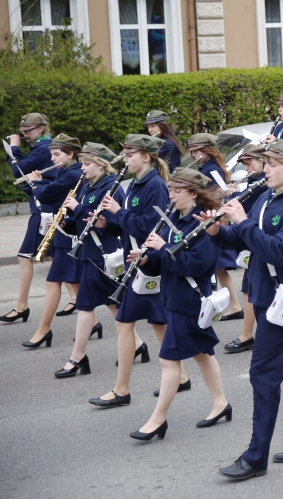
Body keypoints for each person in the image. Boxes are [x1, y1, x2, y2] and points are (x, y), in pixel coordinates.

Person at [211, 141, 283, 481]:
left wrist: (244, 222)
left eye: (273, 164)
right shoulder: (267, 198)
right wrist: (218, 230)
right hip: (263, 295)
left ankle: (255, 457)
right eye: (267, 163)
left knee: (262, 374)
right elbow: (242, 239)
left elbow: (277, 251)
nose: (266, 169)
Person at [128, 168, 231, 440]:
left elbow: (195, 265)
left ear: (194, 194)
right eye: (170, 190)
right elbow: (165, 262)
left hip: (189, 300)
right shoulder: (174, 217)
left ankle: (158, 419)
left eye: (177, 191)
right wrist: (147, 259)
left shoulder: (204, 223)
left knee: (168, 360)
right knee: (202, 353)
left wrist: (162, 247)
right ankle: (221, 403)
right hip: (174, 296)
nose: (171, 196)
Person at [90, 134, 184, 405]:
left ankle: (122, 390)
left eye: (130, 155)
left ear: (146, 157)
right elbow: (128, 227)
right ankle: (181, 376)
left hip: (148, 262)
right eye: (125, 155)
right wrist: (106, 224)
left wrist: (118, 211)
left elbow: (150, 228)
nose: (126, 160)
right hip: (136, 261)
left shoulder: (155, 186)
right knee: (158, 322)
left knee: (126, 323)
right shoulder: (134, 184)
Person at [55, 143, 129, 379]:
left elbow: (109, 224)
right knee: (113, 305)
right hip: (90, 252)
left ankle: (77, 358)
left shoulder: (111, 187)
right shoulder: (89, 185)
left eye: (87, 164)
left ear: (102, 164)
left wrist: (77, 207)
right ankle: (137, 345)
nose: (83, 169)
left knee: (85, 306)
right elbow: (83, 221)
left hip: (101, 254)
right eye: (82, 164)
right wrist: (65, 223)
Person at [20, 134, 84, 351]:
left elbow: (47, 194)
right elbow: (49, 189)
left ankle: (44, 330)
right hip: (63, 231)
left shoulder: (73, 174)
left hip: (68, 232)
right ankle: (94, 323)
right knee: (77, 283)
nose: (53, 159)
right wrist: (36, 183)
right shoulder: (66, 172)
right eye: (52, 155)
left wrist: (36, 183)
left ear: (71, 154)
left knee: (53, 281)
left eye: (57, 154)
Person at [1, 113, 54, 324]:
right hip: (45, 207)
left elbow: (18, 170)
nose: (24, 134)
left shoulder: (43, 148)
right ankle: (78, 301)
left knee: (25, 256)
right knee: (56, 256)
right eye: (22, 131)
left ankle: (22, 306)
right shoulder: (41, 147)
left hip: (43, 209)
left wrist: (14, 149)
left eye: (28, 130)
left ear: (42, 128)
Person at [186, 133, 243, 321]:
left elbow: (225, 194)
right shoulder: (207, 168)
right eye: (192, 152)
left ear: (207, 150)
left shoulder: (211, 170)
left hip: (214, 219)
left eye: (197, 151)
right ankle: (231, 305)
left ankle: (232, 305)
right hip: (210, 218)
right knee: (218, 268)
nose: (194, 156)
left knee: (218, 266)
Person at [223, 145, 270, 355]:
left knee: (256, 289)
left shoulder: (263, 182)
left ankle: (254, 335)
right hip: (250, 237)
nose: (247, 168)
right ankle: (248, 334)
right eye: (244, 164)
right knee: (248, 287)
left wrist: (233, 195)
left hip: (259, 239)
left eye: (249, 163)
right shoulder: (255, 180)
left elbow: (246, 203)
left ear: (261, 161)